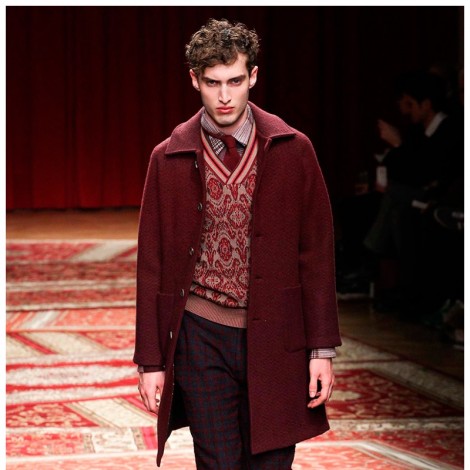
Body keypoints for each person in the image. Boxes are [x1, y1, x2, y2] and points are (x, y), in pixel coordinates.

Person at [134, 18, 341, 469]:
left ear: (253, 76)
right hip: (199, 334)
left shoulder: (293, 150)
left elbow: (316, 256)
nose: (224, 96)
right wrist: (150, 361)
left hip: (278, 336)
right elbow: (151, 265)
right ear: (195, 80)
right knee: (217, 463)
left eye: (234, 81)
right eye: (212, 83)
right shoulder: (167, 159)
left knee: (272, 463)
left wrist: (321, 350)